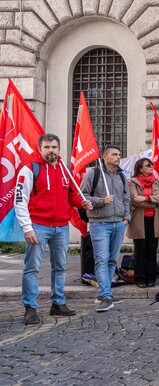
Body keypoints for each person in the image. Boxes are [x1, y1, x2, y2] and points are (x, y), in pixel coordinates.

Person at [15, 134, 93, 325]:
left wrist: (81, 202)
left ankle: (58, 303)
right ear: (40, 148)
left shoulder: (65, 170)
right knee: (32, 268)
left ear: (59, 149)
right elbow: (20, 200)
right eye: (47, 147)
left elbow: (71, 197)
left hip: (61, 227)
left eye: (54, 147)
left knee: (59, 267)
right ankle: (30, 308)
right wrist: (27, 227)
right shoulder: (29, 169)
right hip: (38, 226)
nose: (51, 150)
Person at [81, 144, 131, 312]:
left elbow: (126, 198)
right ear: (105, 157)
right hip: (99, 223)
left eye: (119, 154)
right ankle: (106, 295)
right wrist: (101, 201)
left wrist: (126, 218)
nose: (118, 157)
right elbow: (83, 196)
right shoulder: (93, 173)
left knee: (111, 260)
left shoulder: (122, 176)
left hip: (118, 223)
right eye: (114, 155)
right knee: (101, 259)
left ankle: (105, 293)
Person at [127, 158, 159, 288]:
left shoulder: (157, 181)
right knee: (140, 250)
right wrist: (154, 203)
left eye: (152, 164)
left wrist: (146, 198)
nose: (152, 166)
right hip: (139, 220)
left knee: (152, 249)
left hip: (155, 220)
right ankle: (140, 278)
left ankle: (151, 277)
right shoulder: (132, 182)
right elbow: (135, 201)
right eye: (148, 165)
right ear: (140, 168)